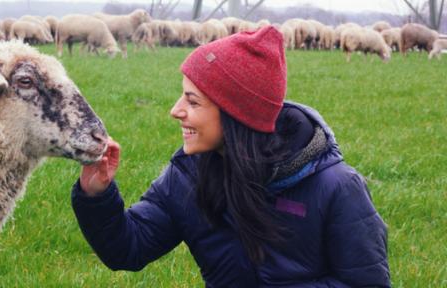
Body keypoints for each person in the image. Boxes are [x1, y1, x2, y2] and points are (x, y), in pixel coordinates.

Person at [72, 26, 390, 287]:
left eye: (193, 102)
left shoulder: (336, 187)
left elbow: (366, 283)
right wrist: (96, 194)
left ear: (237, 116)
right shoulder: (186, 177)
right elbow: (128, 248)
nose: (175, 111)